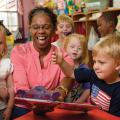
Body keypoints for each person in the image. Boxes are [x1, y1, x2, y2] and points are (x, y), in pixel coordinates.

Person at [10, 7, 74, 119]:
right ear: (30, 29)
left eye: (46, 27)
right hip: (24, 107)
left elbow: (68, 77)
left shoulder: (63, 55)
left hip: (53, 105)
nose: (41, 31)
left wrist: (60, 93)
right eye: (36, 27)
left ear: (54, 29)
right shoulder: (19, 52)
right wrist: (34, 104)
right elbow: (21, 85)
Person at [52, 34, 120, 117]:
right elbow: (71, 73)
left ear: (117, 65)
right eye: (95, 62)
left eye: (101, 62)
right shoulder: (93, 74)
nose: (96, 66)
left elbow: (113, 118)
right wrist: (61, 62)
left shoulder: (118, 91)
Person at [63, 33, 90, 103]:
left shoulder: (84, 68)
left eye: (79, 48)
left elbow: (88, 89)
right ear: (65, 48)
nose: (75, 50)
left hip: (76, 103)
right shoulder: (61, 65)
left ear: (83, 52)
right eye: (72, 47)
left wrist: (78, 102)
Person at [0, 24, 14, 120]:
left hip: (3, 108)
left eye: (0, 42)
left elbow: (11, 87)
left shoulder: (6, 63)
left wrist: (9, 108)